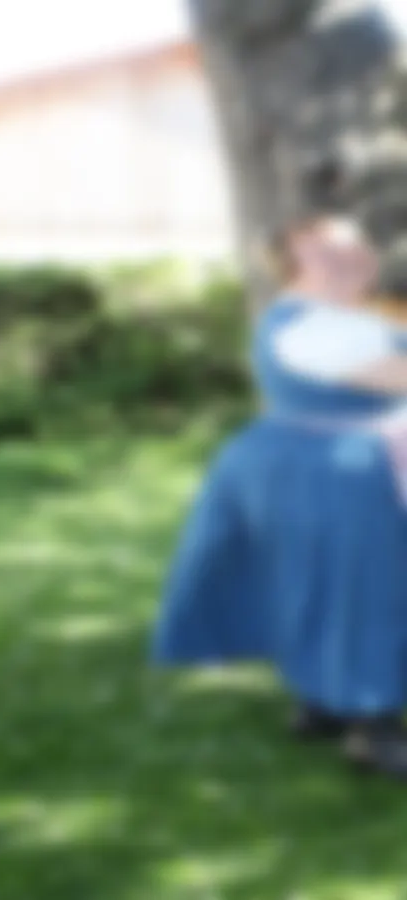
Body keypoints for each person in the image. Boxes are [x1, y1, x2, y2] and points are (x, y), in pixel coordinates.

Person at [153, 212, 407, 778]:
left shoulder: (343, 316)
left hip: (324, 463)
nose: (356, 258)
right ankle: (374, 730)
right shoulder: (313, 328)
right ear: (296, 260)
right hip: (331, 471)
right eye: (334, 250)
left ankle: (323, 705)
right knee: (365, 589)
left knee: (319, 584)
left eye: (359, 247)